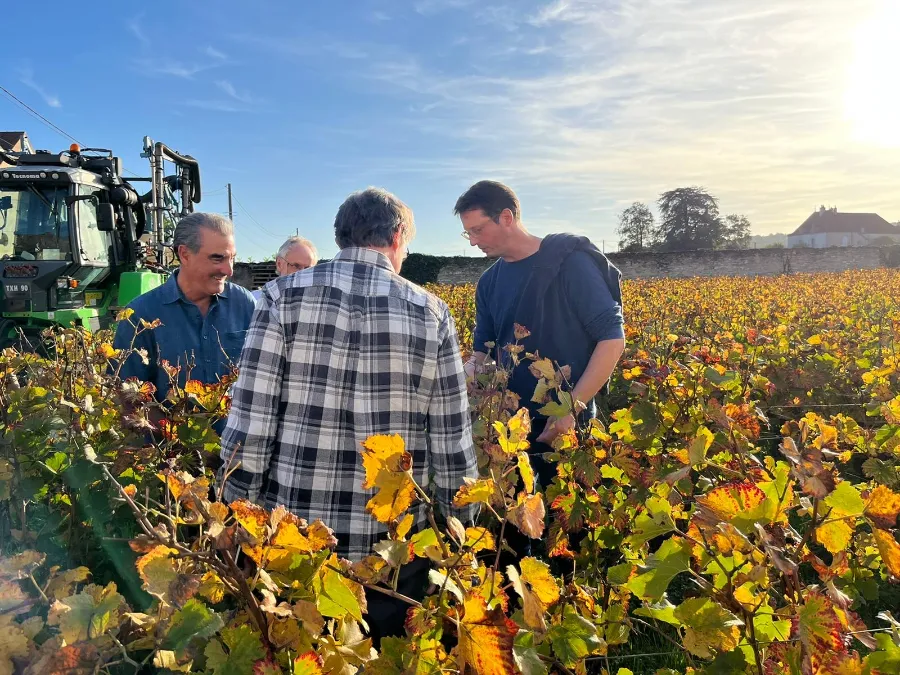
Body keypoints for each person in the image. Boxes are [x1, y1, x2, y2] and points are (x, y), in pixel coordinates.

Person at [220, 187, 478, 643]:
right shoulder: (432, 312)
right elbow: (451, 438)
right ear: (397, 236)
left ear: (340, 238)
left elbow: (251, 425)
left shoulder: (279, 298)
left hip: (297, 543)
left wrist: (236, 515)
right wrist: (461, 526)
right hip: (393, 548)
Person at [456, 180, 625, 491]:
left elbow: (612, 340)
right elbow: (482, 354)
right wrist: (455, 385)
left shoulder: (570, 263)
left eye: (478, 230)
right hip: (510, 427)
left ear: (506, 217)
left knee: (570, 519)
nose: (472, 242)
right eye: (468, 233)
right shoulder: (488, 283)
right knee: (518, 526)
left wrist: (570, 409)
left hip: (569, 420)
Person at [112, 212, 256, 407]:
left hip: (237, 437)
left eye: (231, 258)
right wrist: (169, 432)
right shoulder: (141, 314)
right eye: (217, 259)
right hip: (167, 437)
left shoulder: (245, 304)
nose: (228, 270)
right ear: (185, 254)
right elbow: (128, 398)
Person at [251, 236, 318, 300]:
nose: (303, 273)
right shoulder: (255, 301)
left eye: (308, 269)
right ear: (279, 264)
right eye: (296, 266)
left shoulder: (320, 304)